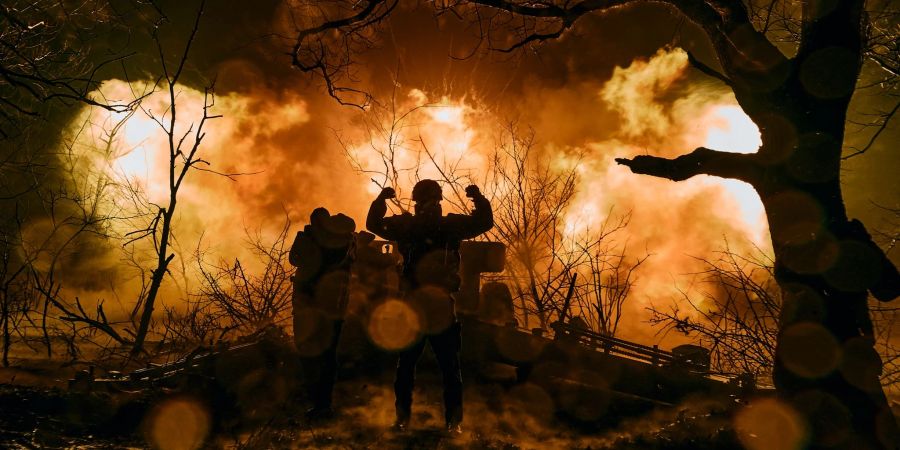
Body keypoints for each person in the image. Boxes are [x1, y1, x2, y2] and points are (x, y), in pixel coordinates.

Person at [366, 180, 493, 433]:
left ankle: (431, 421)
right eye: (429, 201)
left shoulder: (414, 226)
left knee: (427, 366)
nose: (429, 206)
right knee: (435, 367)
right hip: (429, 306)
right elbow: (483, 222)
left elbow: (374, 224)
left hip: (427, 305)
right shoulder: (446, 226)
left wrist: (381, 201)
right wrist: (477, 199)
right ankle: (444, 422)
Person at [290, 207, 356, 419]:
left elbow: (296, 260)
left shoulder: (337, 242)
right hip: (325, 309)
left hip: (317, 309)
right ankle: (321, 402)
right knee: (320, 356)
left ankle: (320, 403)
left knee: (316, 355)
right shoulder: (343, 242)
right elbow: (297, 259)